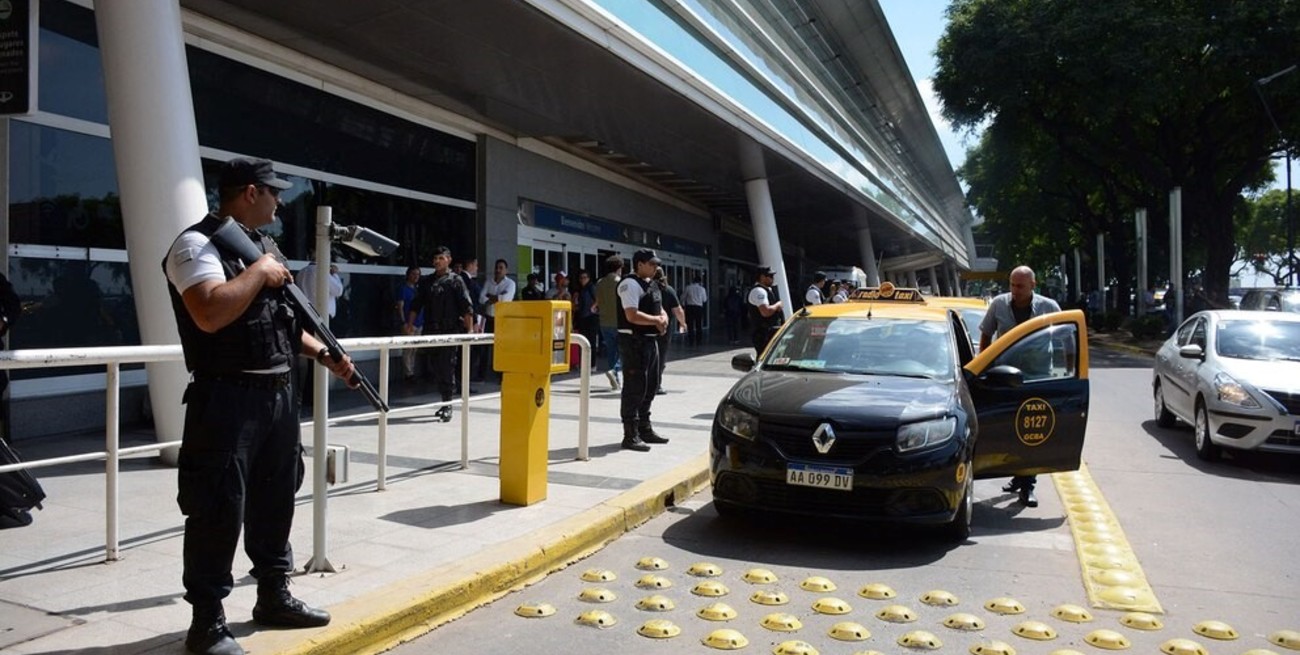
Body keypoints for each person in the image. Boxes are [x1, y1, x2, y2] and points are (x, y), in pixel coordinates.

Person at [163, 158, 354, 655]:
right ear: (250, 192)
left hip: (277, 395)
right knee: (217, 506)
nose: (280, 201)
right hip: (225, 398)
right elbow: (208, 312)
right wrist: (259, 272)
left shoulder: (262, 248)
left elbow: (283, 326)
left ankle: (273, 595)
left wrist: (325, 354)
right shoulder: (195, 246)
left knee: (276, 499)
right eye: (274, 192)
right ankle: (207, 623)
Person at [978, 265, 1062, 509]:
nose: (1015, 290)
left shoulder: (1049, 307)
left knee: (1031, 432)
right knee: (1009, 429)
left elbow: (1062, 340)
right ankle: (1018, 475)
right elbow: (986, 333)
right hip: (1005, 377)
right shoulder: (998, 304)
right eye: (1012, 285)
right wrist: (984, 363)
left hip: (1036, 377)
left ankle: (1028, 486)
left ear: (1033, 285)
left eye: (1020, 286)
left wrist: (1062, 372)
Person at [406, 246, 475, 423]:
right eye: (435, 258)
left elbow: (466, 307)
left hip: (449, 331)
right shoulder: (427, 281)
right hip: (431, 331)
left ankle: (448, 403)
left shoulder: (456, 281)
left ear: (449, 260)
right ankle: (445, 400)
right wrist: (410, 324)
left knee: (447, 367)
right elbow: (416, 304)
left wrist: (470, 330)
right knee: (435, 366)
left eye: (441, 258)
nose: (437, 261)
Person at [616, 249, 670, 452]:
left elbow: (659, 307)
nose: (655, 267)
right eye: (651, 264)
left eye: (656, 264)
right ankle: (630, 435)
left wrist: (662, 318)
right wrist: (656, 320)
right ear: (639, 264)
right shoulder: (629, 284)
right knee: (634, 388)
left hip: (650, 341)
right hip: (634, 342)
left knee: (651, 385)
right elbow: (631, 315)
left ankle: (644, 428)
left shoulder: (652, 283)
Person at [479, 258, 516, 382]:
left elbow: (506, 299)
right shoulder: (489, 282)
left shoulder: (510, 283)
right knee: (485, 347)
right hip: (489, 319)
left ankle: (501, 376)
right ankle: (481, 375)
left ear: (506, 270)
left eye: (501, 268)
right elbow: (481, 298)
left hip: (503, 320)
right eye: (497, 267)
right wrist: (496, 298)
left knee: (501, 348)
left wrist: (491, 297)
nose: (498, 270)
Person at [653, 267, 687, 395]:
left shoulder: (645, 288)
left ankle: (644, 384)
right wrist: (683, 324)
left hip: (645, 327)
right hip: (664, 329)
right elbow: (678, 310)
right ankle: (656, 385)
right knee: (660, 357)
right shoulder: (668, 290)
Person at [593, 255, 624, 390]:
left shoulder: (600, 282)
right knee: (624, 351)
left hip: (604, 322)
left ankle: (615, 378)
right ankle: (615, 370)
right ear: (619, 268)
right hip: (619, 322)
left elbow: (597, 302)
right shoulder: (621, 283)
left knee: (612, 351)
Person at [457, 257, 486, 385]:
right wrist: (473, 322)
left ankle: (463, 382)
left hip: (469, 319)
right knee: (466, 354)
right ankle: (462, 383)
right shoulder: (464, 280)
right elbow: (469, 304)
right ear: (470, 264)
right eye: (476, 265)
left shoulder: (468, 280)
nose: (477, 268)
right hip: (466, 321)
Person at [395, 266, 424, 381]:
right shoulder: (403, 289)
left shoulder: (417, 289)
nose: (416, 277)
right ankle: (408, 373)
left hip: (420, 322)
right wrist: (403, 322)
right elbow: (400, 307)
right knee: (408, 349)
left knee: (414, 349)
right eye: (413, 274)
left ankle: (412, 370)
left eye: (418, 274)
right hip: (409, 323)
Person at [748, 266, 784, 357]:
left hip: (770, 332)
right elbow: (765, 312)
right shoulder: (758, 291)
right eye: (770, 276)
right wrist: (777, 305)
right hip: (763, 334)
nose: (772, 279)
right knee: (764, 358)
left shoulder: (767, 290)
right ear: (762, 277)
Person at [572, 269, 600, 367]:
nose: (583, 280)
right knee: (583, 340)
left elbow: (598, 298)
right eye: (581, 278)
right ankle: (583, 363)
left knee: (591, 341)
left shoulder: (591, 287)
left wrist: (593, 307)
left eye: (585, 278)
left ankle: (592, 364)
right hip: (582, 317)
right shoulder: (581, 289)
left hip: (591, 317)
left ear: (588, 278)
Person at [680, 274, 708, 347]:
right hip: (699, 307)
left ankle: (691, 340)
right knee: (699, 325)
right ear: (700, 281)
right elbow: (704, 299)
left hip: (690, 307)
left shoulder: (688, 287)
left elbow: (682, 297)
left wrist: (683, 304)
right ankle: (699, 340)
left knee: (690, 325)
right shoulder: (702, 289)